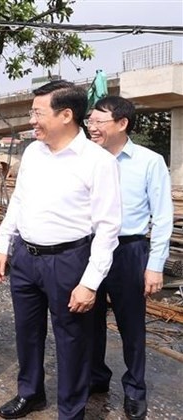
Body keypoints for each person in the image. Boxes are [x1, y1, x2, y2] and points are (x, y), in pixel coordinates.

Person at [0, 80, 122, 420]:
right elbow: (18, 201)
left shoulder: (98, 161)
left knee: (72, 341)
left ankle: (70, 410)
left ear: (66, 115)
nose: (32, 119)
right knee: (27, 333)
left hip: (69, 262)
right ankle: (30, 392)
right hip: (25, 258)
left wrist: (90, 282)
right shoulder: (33, 152)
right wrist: (5, 245)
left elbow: (108, 227)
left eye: (37, 112)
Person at [87, 96, 173, 420]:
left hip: (128, 250)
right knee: (89, 319)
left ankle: (135, 389)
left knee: (131, 326)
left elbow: (163, 217)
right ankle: (96, 378)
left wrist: (154, 266)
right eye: (89, 121)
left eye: (99, 122)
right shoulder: (85, 159)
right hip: (91, 247)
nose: (91, 128)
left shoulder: (149, 162)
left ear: (122, 124)